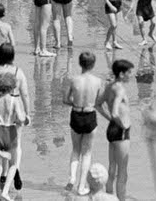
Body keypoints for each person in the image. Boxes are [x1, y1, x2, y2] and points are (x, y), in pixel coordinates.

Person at [64, 51, 104, 195]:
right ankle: (81, 187)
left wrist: (75, 103)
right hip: (90, 114)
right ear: (93, 64)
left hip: (76, 113)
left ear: (80, 63)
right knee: (87, 153)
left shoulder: (73, 80)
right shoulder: (98, 81)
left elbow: (65, 99)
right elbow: (98, 102)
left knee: (76, 150)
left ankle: (72, 177)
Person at [0, 72, 26, 201]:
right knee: (13, 164)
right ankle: (5, 192)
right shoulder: (14, 100)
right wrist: (24, 119)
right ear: (11, 86)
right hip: (10, 131)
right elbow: (20, 118)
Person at [96, 59, 133, 201]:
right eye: (129, 73)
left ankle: (109, 196)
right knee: (122, 172)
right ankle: (121, 199)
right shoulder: (120, 88)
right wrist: (121, 123)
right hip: (121, 131)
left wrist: (110, 120)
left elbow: (98, 105)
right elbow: (115, 112)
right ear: (122, 74)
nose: (131, 75)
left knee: (112, 168)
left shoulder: (109, 86)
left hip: (111, 129)